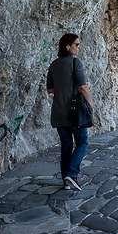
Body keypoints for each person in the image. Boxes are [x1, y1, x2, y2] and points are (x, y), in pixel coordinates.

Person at [46, 32, 94, 191]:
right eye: (77, 44)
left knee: (66, 144)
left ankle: (67, 180)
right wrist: (90, 104)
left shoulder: (53, 64)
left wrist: (64, 87)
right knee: (82, 142)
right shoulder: (75, 63)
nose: (79, 47)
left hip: (58, 111)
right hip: (75, 112)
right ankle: (72, 173)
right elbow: (82, 87)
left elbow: (50, 89)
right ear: (68, 46)